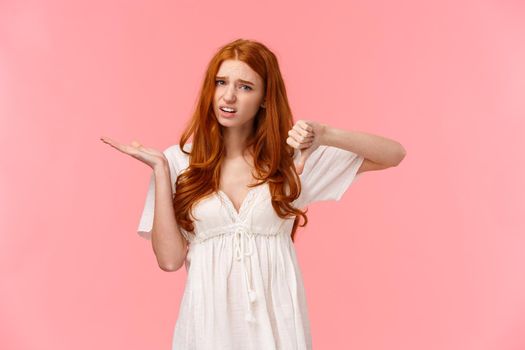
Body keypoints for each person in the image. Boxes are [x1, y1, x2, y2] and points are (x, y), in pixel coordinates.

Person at [100, 38, 406, 350]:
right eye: (221, 82)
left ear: (264, 98)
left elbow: (393, 154)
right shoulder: (178, 162)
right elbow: (169, 260)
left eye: (245, 86)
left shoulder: (291, 162)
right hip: (207, 332)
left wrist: (324, 134)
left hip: (278, 334)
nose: (228, 96)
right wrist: (161, 171)